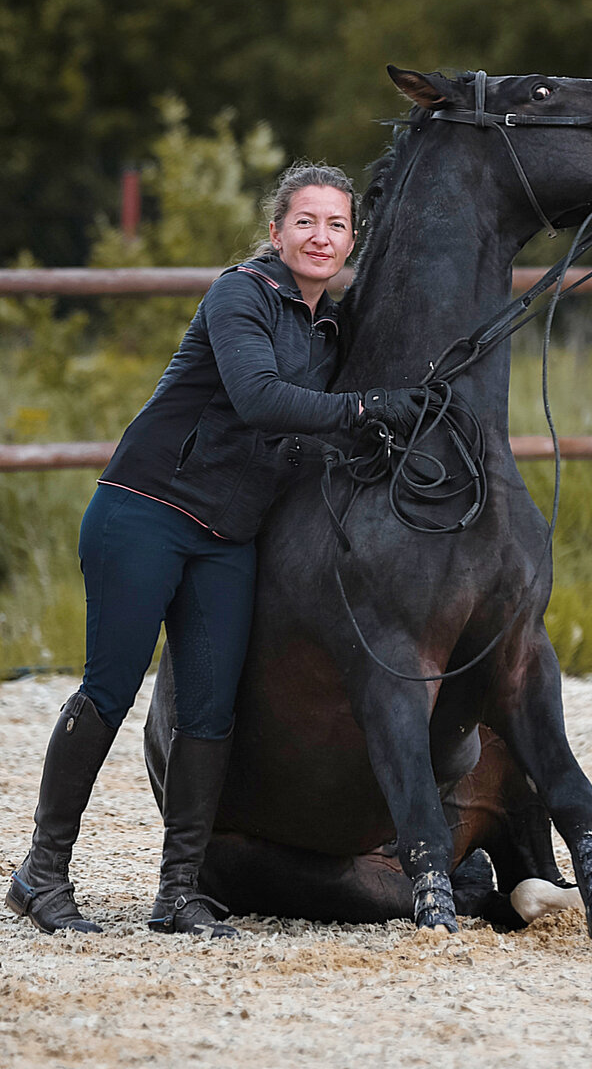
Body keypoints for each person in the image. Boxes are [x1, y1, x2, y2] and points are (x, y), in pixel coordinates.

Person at [5, 161, 421, 939]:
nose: (320, 237)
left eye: (335, 225)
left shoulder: (329, 323)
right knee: (109, 690)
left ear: (350, 241)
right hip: (145, 511)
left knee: (208, 710)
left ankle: (179, 892)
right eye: (305, 221)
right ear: (276, 231)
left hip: (226, 535)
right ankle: (41, 873)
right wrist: (364, 407)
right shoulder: (241, 293)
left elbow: (311, 426)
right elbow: (260, 398)